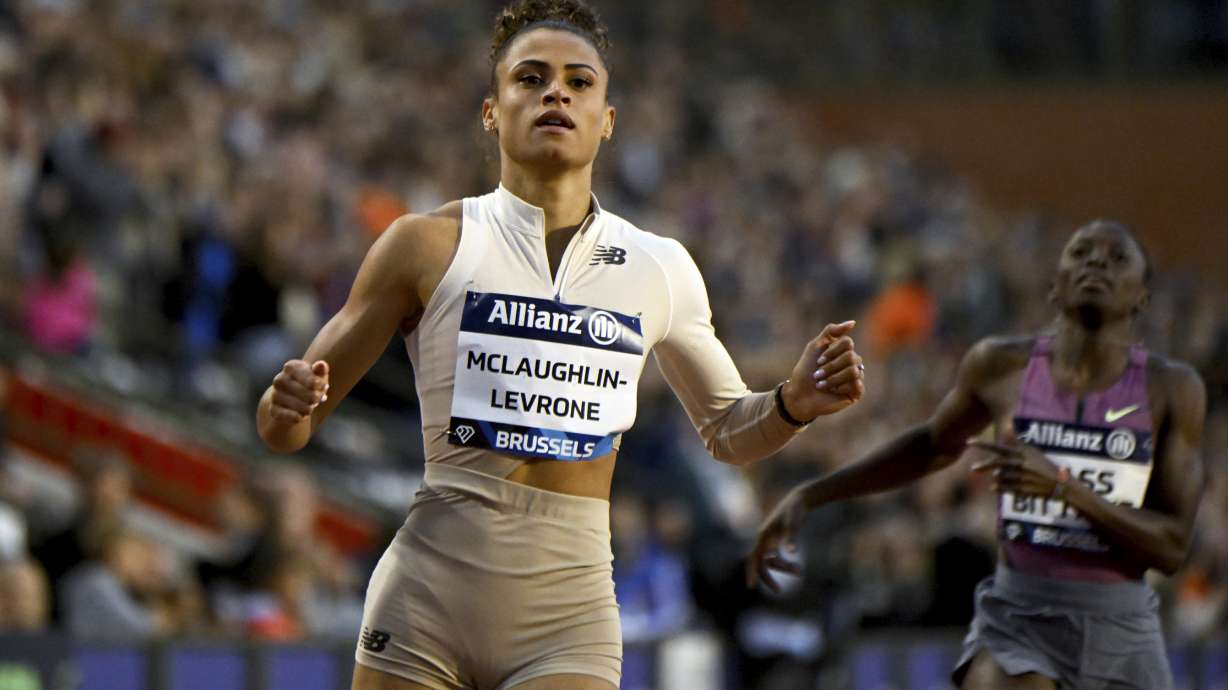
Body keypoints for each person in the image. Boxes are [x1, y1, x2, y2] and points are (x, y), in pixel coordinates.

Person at [256, 1, 866, 688]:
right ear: (492, 111)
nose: (556, 93)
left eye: (579, 82)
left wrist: (794, 402)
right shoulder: (424, 246)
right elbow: (290, 427)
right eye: (532, 78)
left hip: (567, 615)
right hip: (430, 591)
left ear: (607, 121)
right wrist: (284, 406)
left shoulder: (657, 265)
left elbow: (729, 432)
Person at [749, 220, 1206, 690]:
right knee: (1007, 680)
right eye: (1082, 253)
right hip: (1023, 610)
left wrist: (1064, 488)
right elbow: (930, 446)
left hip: (1119, 617)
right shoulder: (1001, 367)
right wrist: (812, 494)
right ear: (1056, 286)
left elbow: (1171, 548)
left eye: (1116, 259)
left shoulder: (1171, 390)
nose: (1096, 264)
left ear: (1143, 295)